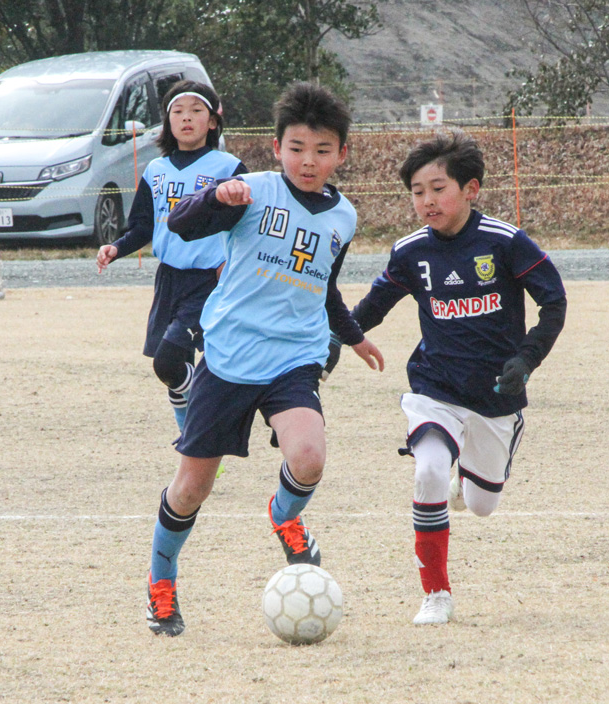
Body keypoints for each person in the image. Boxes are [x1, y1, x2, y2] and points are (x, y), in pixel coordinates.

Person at [144, 82, 384, 636]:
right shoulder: (250, 190)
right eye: (297, 147)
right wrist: (213, 198)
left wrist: (351, 336)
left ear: (341, 154)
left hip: (293, 358)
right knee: (191, 489)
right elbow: (180, 225)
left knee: (308, 457)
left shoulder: (343, 216)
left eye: (322, 150)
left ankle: (283, 515)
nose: (309, 160)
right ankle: (161, 582)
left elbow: (323, 286)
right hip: (228, 356)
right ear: (277, 147)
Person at [345, 130, 567, 626]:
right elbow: (372, 308)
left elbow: (554, 302)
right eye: (418, 191)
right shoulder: (410, 252)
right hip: (434, 387)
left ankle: (470, 476)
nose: (427, 200)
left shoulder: (505, 243)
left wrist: (526, 360)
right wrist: (336, 340)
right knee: (426, 472)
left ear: (470, 189)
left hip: (494, 397)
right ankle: (436, 593)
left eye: (438, 188)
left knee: (483, 505)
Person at [96, 80, 247, 431]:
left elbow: (247, 224)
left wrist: (235, 264)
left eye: (197, 111)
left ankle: (208, 424)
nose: (187, 118)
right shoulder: (156, 171)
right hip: (169, 280)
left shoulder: (229, 167)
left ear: (212, 122)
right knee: (175, 370)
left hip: (209, 281)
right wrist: (116, 248)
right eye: (178, 111)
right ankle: (193, 444)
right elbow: (143, 227)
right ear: (167, 122)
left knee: (167, 362)